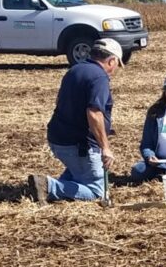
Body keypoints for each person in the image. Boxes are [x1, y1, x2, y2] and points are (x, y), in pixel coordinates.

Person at [37, 38, 124, 202]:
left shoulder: (75, 70)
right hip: (78, 145)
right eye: (117, 65)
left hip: (57, 138)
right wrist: (105, 148)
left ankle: (56, 185)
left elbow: (59, 102)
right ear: (112, 60)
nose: (115, 70)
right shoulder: (99, 78)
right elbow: (94, 113)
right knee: (98, 191)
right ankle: (49, 186)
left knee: (79, 172)